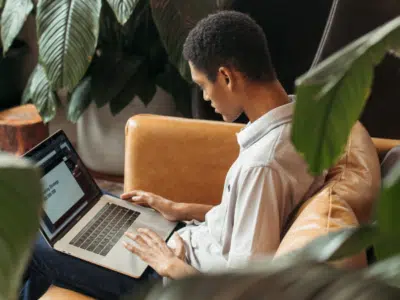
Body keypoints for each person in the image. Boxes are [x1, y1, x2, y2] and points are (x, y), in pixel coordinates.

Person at [21, 11, 326, 299]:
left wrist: (167, 264)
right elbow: (244, 219)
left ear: (226, 77)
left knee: (31, 244)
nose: (206, 98)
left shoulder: (262, 166)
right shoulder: (301, 120)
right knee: (94, 205)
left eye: (203, 86)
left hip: (169, 277)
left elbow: (242, 289)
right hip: (187, 240)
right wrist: (179, 209)